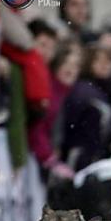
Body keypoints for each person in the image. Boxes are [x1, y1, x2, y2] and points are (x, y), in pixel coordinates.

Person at [28, 43, 81, 181]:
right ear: (57, 65)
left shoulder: (67, 93)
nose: (70, 69)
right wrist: (48, 157)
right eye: (66, 63)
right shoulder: (50, 90)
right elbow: (37, 127)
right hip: (34, 158)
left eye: (75, 65)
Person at [60, 44, 111, 171]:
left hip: (94, 157)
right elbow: (69, 123)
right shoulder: (83, 90)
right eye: (98, 60)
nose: (104, 64)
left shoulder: (106, 91)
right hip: (78, 157)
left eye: (108, 61)